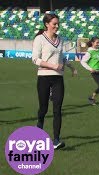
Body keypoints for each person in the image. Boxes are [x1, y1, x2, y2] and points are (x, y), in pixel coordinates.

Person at [32, 13, 77, 150]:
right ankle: (39, 126)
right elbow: (35, 59)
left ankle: (56, 140)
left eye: (58, 24)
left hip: (58, 78)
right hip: (44, 77)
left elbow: (61, 56)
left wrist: (71, 67)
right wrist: (52, 66)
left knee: (57, 109)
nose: (57, 26)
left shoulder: (60, 39)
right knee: (44, 108)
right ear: (47, 24)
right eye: (54, 24)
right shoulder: (39, 39)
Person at [80, 37, 99, 108]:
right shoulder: (89, 52)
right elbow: (83, 62)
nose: (98, 44)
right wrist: (90, 69)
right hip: (94, 72)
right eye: (97, 42)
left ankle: (92, 97)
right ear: (92, 43)